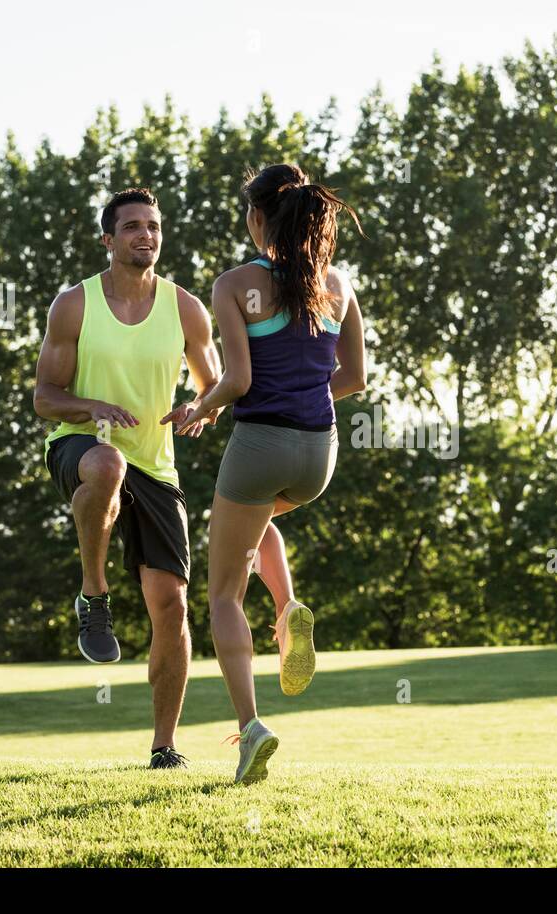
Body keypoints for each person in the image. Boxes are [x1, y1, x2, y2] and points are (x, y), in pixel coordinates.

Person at [172, 164, 366, 784]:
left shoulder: (234, 284)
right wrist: (307, 390)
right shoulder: (339, 285)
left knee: (223, 592)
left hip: (260, 443)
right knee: (253, 529)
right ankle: (287, 612)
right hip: (319, 454)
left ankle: (251, 728)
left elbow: (239, 381)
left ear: (258, 218)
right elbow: (355, 378)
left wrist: (198, 408)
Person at [33, 187, 222, 770]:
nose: (146, 235)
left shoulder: (186, 308)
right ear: (108, 239)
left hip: (156, 464)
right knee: (108, 464)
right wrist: (91, 408)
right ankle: (94, 594)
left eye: (154, 227)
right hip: (79, 445)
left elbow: (215, 385)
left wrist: (199, 408)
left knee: (171, 605)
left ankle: (164, 747)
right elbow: (45, 398)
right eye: (133, 226)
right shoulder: (75, 305)